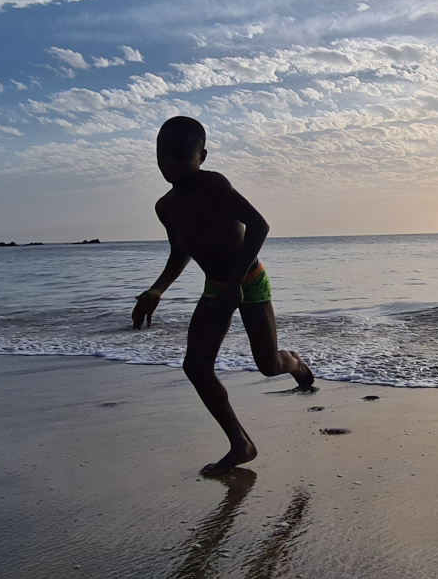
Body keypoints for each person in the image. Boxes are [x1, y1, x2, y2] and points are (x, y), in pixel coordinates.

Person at [132, 116, 315, 475]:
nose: (169, 164)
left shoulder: (214, 185)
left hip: (249, 280)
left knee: (268, 366)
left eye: (180, 156)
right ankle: (241, 444)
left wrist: (235, 283)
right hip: (216, 286)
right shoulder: (165, 207)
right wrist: (157, 290)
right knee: (196, 366)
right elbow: (180, 251)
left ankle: (295, 362)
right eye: (162, 156)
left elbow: (259, 226)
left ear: (201, 156)